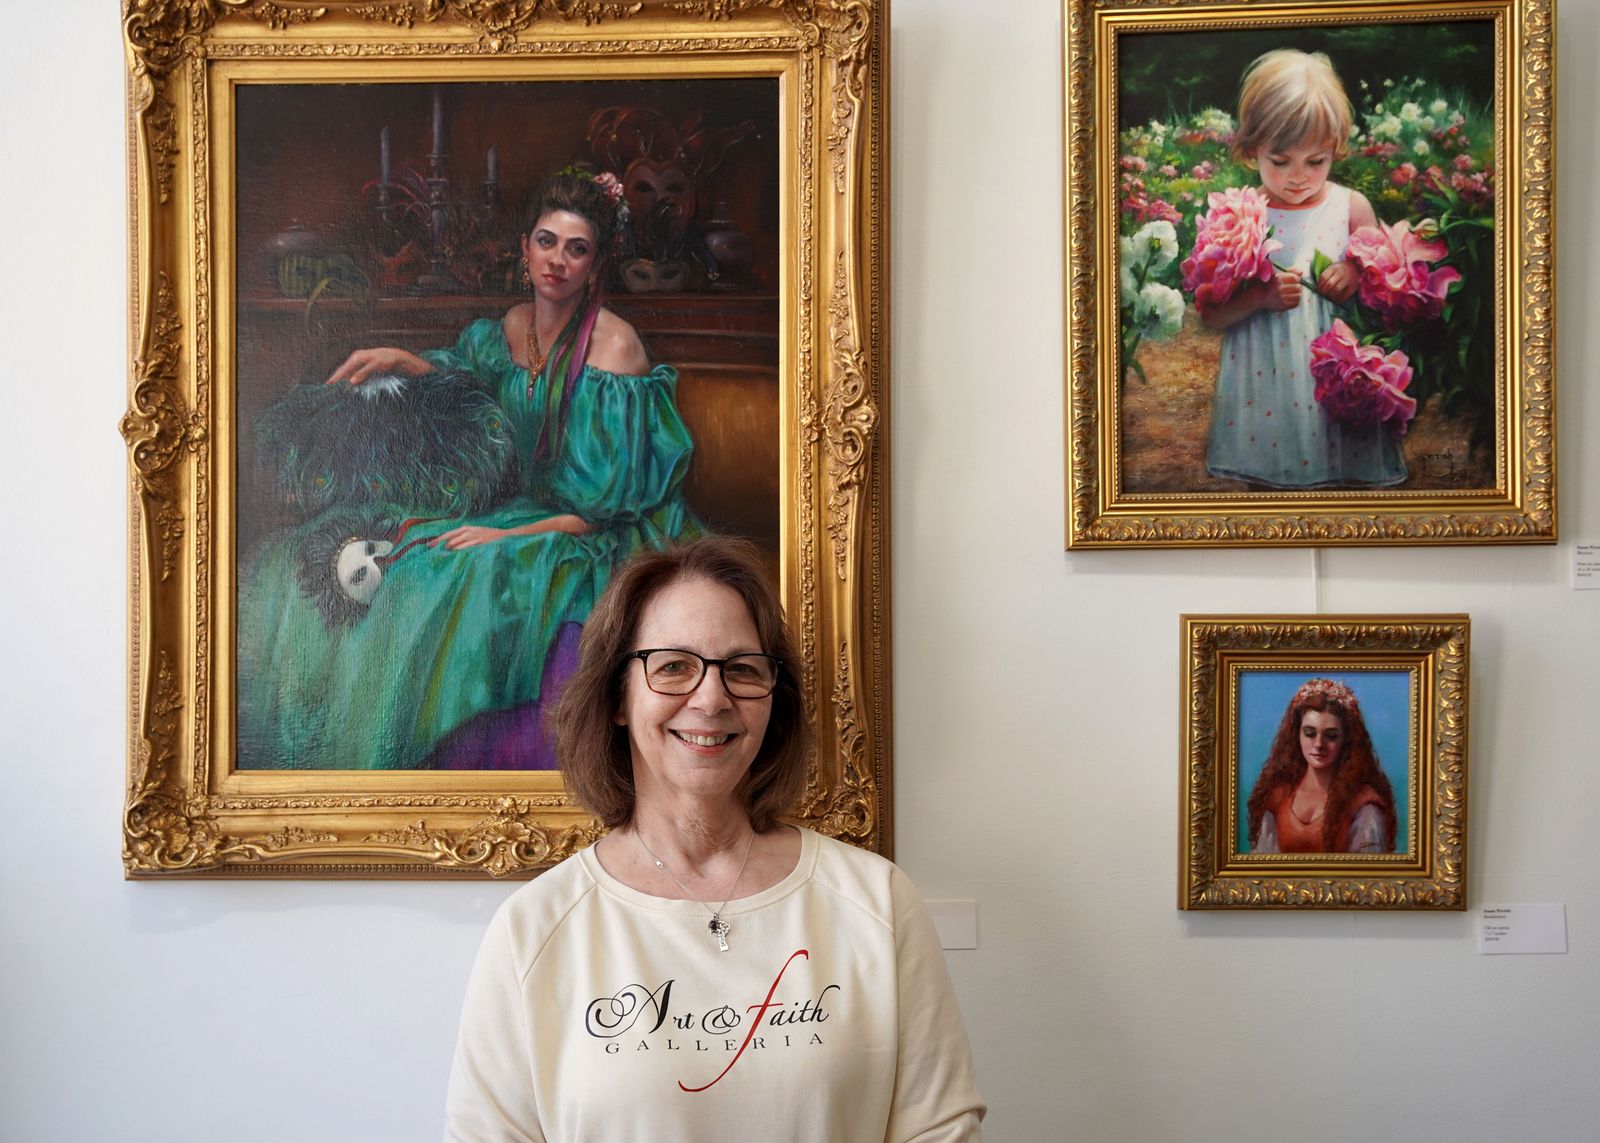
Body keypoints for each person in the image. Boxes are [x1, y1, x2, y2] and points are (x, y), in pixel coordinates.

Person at [444, 536, 986, 1141]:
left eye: (742, 669)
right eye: (673, 666)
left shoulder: (879, 902)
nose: (711, 698)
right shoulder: (533, 931)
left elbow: (939, 1131)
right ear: (618, 696)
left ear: (772, 700)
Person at [237, 168, 701, 770]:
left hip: (586, 529)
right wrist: (406, 360)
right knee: (354, 537)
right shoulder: (511, 327)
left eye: (576, 249)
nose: (557, 260)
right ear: (525, 248)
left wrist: (502, 534)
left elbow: (602, 512)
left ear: (595, 264)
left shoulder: (615, 350)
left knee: (457, 569)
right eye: (546, 241)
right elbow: (473, 386)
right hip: (516, 507)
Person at [1200, 49, 1406, 488]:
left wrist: (1354, 273)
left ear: (1335, 150)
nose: (1298, 177)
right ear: (1252, 149)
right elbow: (1212, 315)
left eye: (1316, 161)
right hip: (1267, 386)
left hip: (1334, 380)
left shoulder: (1350, 207)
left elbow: (1383, 286)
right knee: (1269, 487)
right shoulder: (1240, 217)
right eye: (1280, 161)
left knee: (1346, 485)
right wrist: (1260, 297)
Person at [1246, 678, 1398, 854]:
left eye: (1331, 736)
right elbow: (1262, 863)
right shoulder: (1277, 797)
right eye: (1309, 733)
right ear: (1296, 735)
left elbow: (1370, 865)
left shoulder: (1363, 803)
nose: (1319, 744)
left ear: (1346, 740)